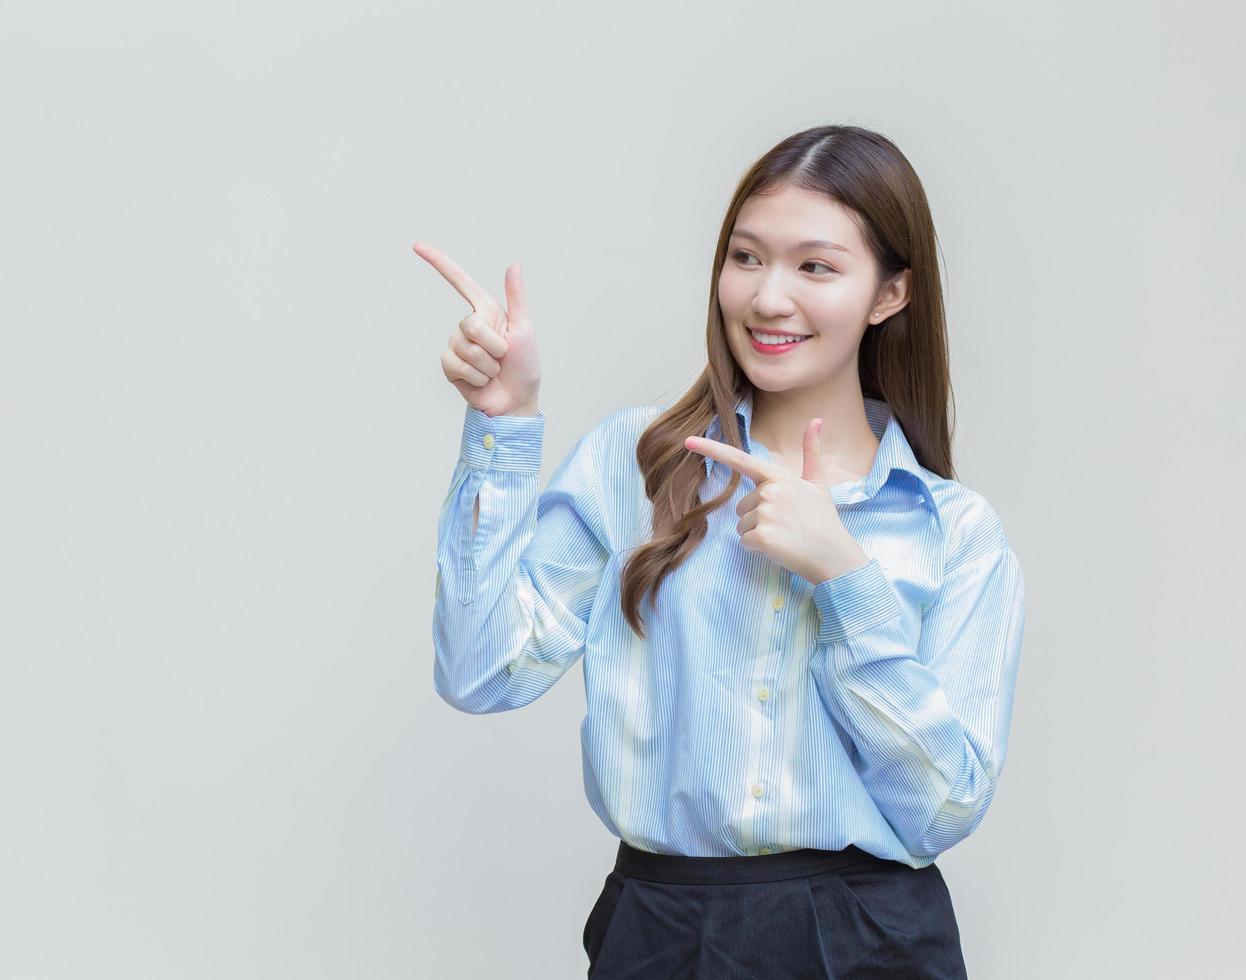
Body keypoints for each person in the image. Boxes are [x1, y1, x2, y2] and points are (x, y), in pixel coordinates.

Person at [415, 124, 1025, 979]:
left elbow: (943, 809)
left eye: (816, 266)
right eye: (746, 257)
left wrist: (844, 577)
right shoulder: (636, 464)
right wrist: (504, 426)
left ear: (890, 294)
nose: (769, 298)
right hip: (664, 932)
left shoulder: (955, 531)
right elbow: (481, 674)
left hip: (873, 943)